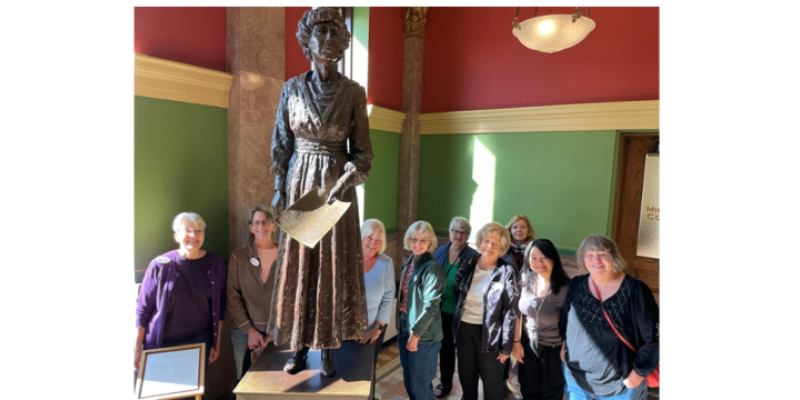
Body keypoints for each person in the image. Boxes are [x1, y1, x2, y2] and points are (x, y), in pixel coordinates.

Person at [269, 7, 374, 377]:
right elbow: (281, 145)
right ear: (307, 41)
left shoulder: (353, 93)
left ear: (344, 43)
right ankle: (297, 345)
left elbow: (363, 154)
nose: (328, 39)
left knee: (331, 267)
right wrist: (280, 188)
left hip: (336, 189)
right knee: (300, 268)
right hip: (300, 185)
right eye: (321, 32)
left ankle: (328, 347)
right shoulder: (291, 89)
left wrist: (346, 179)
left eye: (335, 32)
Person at [560, 235, 659, 400]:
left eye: (602, 254)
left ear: (614, 256)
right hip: (576, 378)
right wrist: (564, 345)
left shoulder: (636, 290)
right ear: (583, 258)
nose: (596, 260)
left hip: (620, 386)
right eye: (590, 254)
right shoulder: (576, 284)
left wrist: (638, 374)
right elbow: (566, 319)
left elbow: (652, 338)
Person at [134, 212, 226, 371]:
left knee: (192, 395)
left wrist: (216, 344)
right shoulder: (160, 265)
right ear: (176, 235)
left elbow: (220, 307)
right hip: (163, 344)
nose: (194, 235)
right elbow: (143, 308)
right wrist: (137, 349)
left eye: (199, 230)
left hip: (199, 343)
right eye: (187, 230)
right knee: (164, 392)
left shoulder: (216, 264)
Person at [452, 222, 520, 400]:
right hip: (464, 329)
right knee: (467, 378)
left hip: (491, 335)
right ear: (480, 242)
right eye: (486, 241)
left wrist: (506, 347)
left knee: (492, 384)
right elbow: (457, 290)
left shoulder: (507, 272)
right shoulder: (468, 263)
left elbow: (511, 312)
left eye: (495, 243)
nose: (489, 246)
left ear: (502, 248)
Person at [511, 239, 571, 400]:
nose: (539, 262)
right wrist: (516, 343)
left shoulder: (566, 288)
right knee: (529, 389)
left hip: (555, 347)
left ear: (553, 259)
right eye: (534, 257)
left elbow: (571, 323)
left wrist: (565, 348)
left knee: (551, 392)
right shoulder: (524, 281)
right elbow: (517, 314)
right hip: (528, 345)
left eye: (544, 257)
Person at [227, 205, 278, 381]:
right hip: (243, 334)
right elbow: (233, 296)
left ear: (274, 225)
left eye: (265, 222)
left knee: (276, 381)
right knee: (245, 380)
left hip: (278, 333)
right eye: (256, 223)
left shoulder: (287, 256)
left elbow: (292, 298)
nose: (260, 226)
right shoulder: (238, 257)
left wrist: (276, 330)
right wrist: (249, 331)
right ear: (250, 227)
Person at [396, 221, 445, 400]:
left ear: (430, 243)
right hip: (404, 325)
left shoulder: (432, 268)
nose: (417, 244)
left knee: (421, 386)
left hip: (423, 334)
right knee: (409, 380)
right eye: (414, 240)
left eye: (423, 241)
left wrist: (416, 334)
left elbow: (431, 307)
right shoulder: (409, 261)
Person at [432, 216, 478, 398]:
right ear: (449, 232)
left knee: (466, 352)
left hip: (462, 312)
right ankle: (445, 383)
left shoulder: (473, 256)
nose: (458, 235)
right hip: (441, 310)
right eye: (454, 231)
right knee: (445, 348)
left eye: (462, 232)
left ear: (467, 235)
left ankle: (469, 389)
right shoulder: (440, 252)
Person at [357, 219, 396, 400]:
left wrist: (377, 329)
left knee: (368, 369)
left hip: (374, 328)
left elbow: (388, 298)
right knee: (346, 370)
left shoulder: (385, 263)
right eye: (369, 238)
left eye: (378, 240)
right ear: (362, 236)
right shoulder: (348, 259)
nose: (373, 244)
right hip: (346, 329)